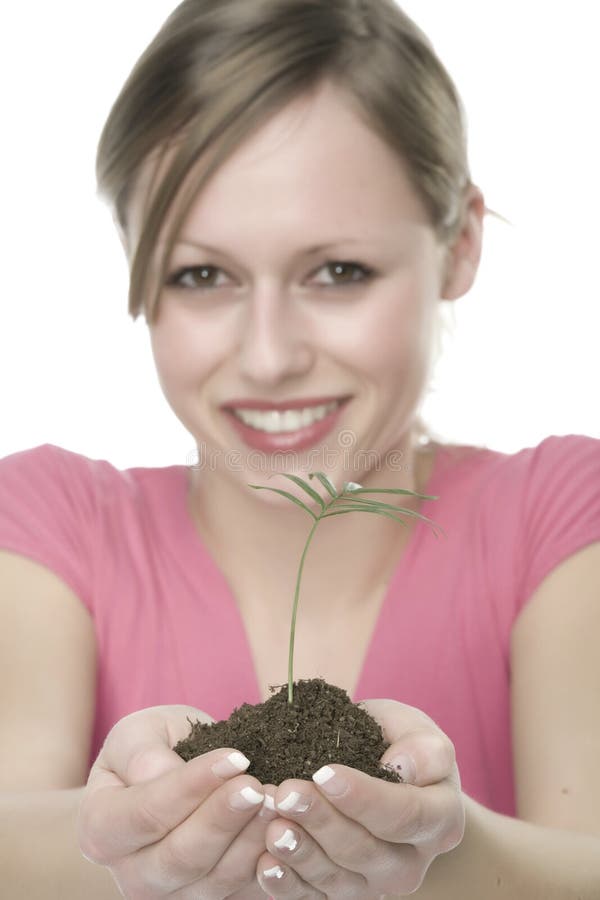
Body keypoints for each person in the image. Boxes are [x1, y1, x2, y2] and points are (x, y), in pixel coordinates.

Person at [1, 0, 599, 897]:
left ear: (459, 244)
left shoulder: (559, 516)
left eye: (338, 272)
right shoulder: (53, 524)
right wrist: (115, 841)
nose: (270, 356)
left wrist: (440, 842)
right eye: (202, 275)